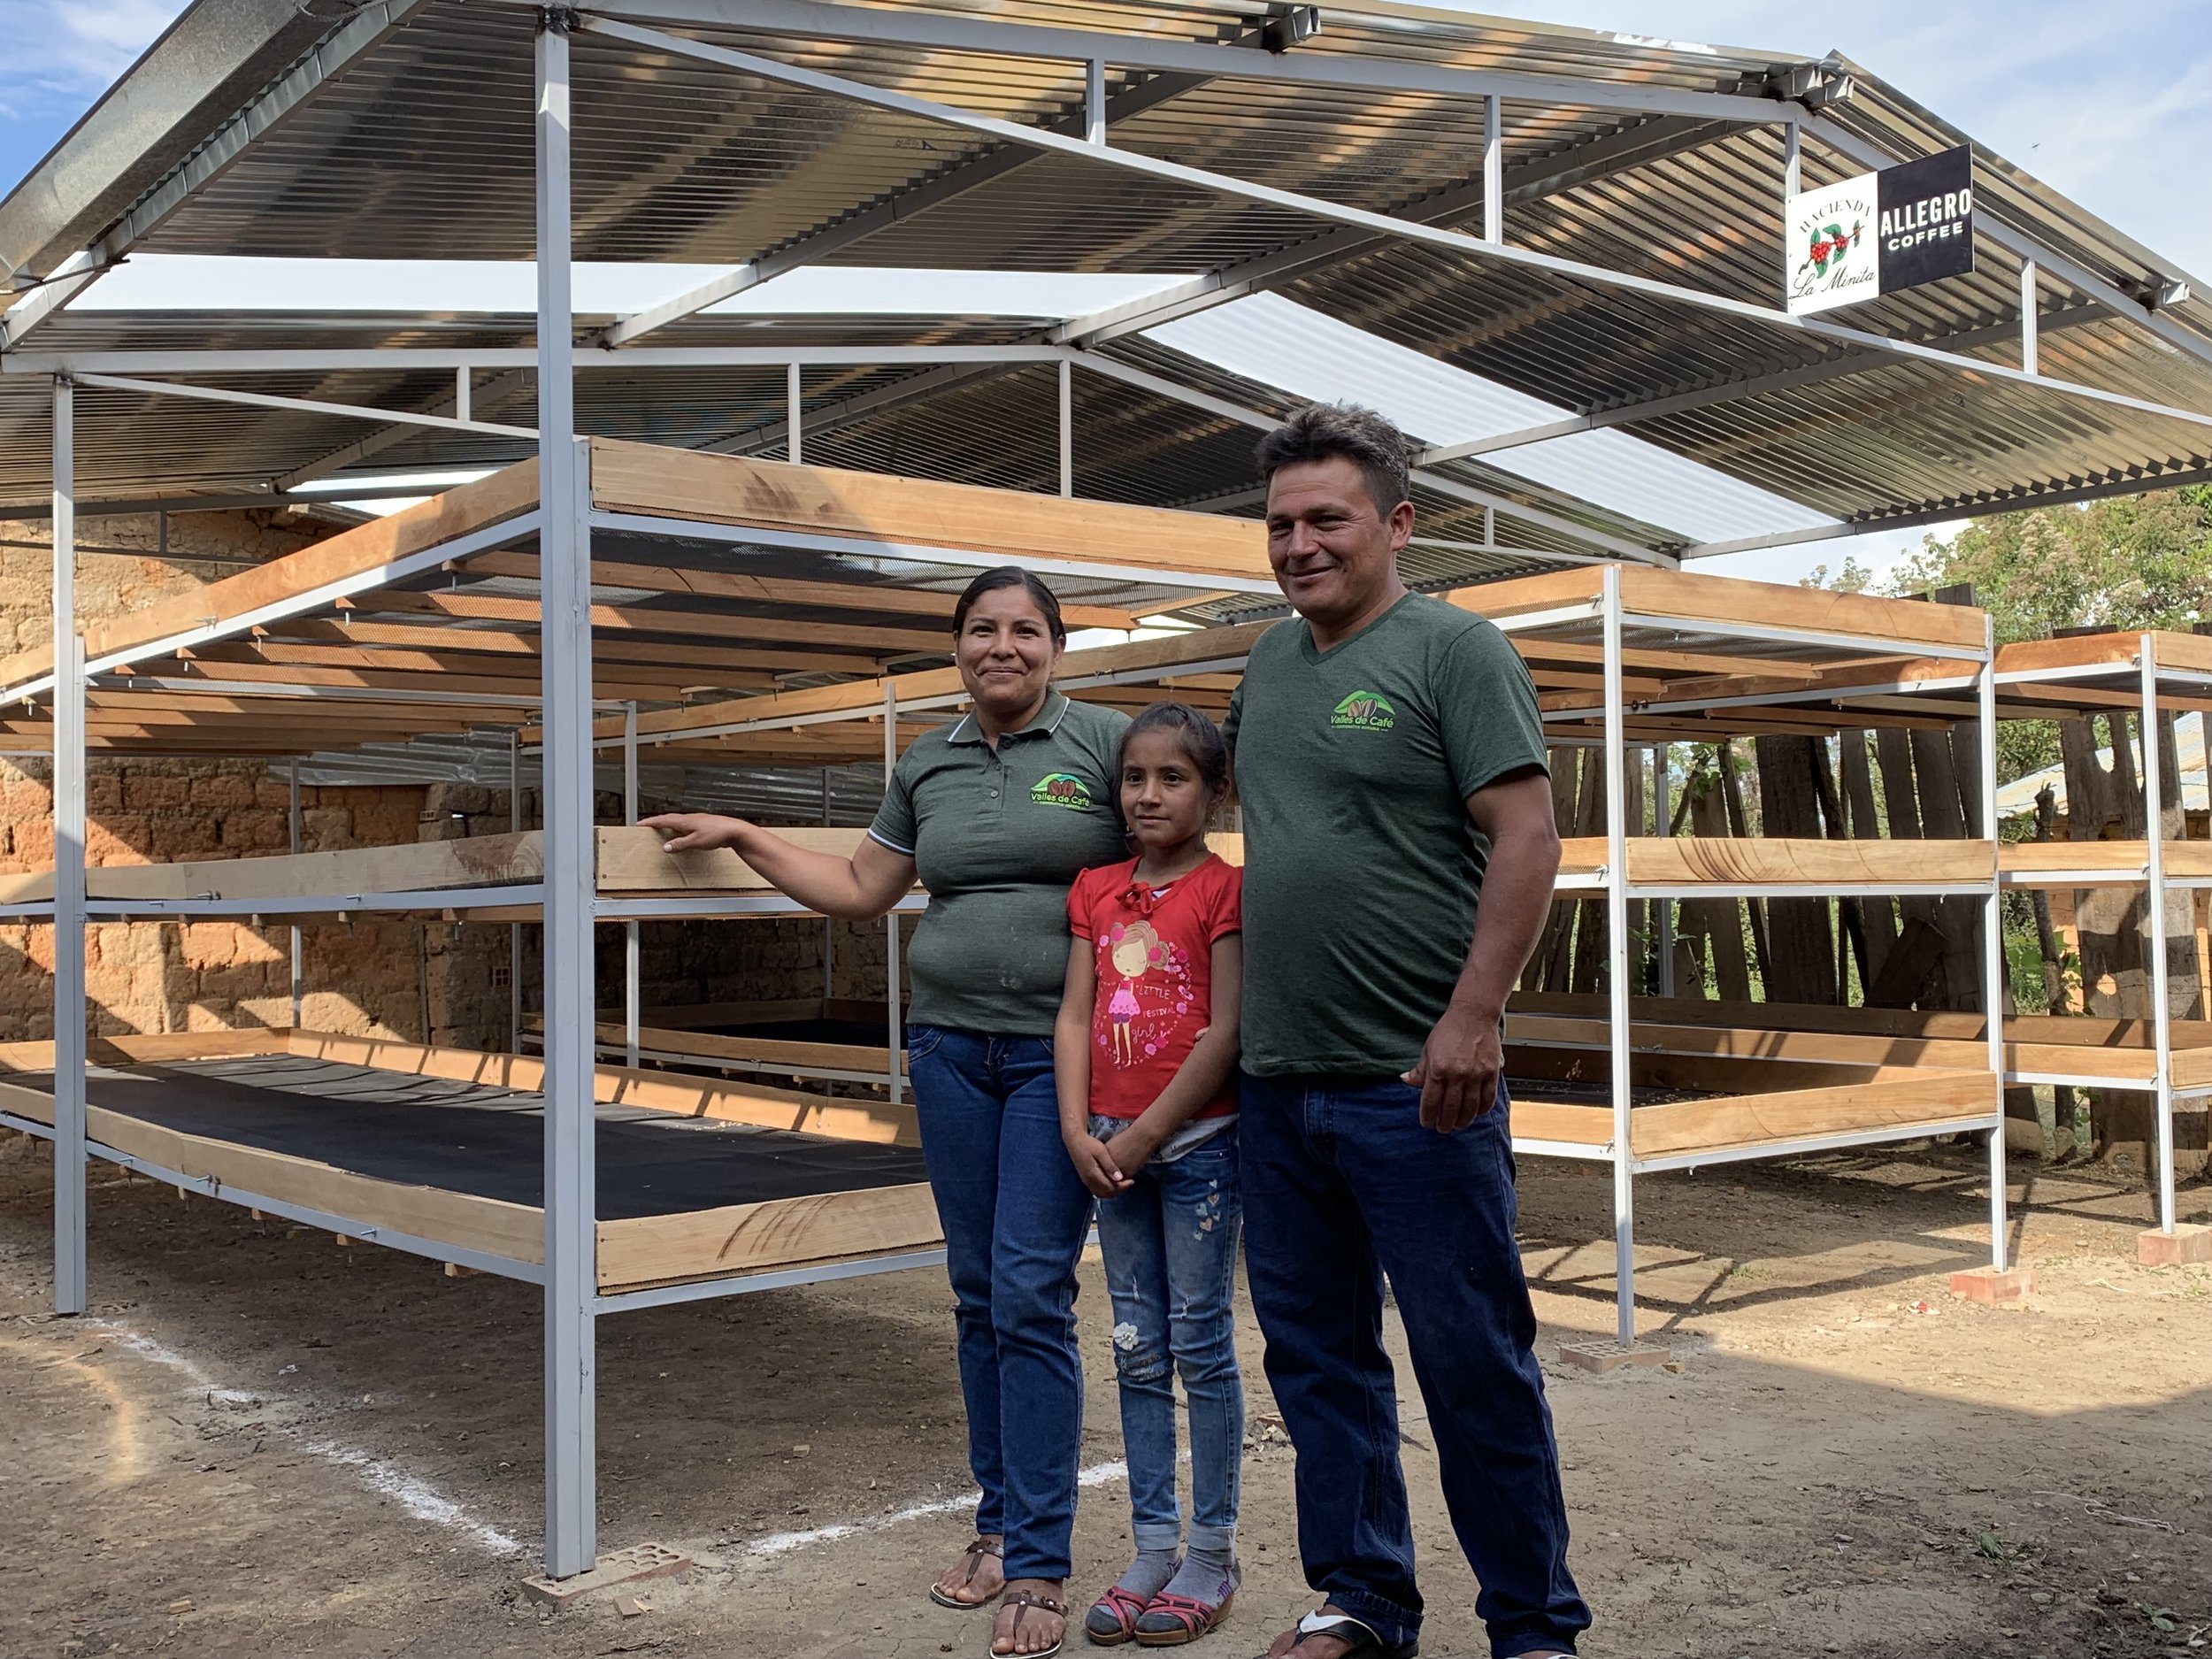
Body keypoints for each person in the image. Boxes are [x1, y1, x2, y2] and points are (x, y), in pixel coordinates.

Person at [643, 566, 1127, 1659]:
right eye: (980, 631)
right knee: (972, 1292)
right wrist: (744, 834)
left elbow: (1169, 867)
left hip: (1066, 1056)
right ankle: (998, 1524)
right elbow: (865, 886)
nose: (1001, 647)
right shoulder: (929, 759)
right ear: (955, 646)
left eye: (1023, 631)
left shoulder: (1101, 744)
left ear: (1056, 645)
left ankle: (1040, 1561)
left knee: (1029, 1291)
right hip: (951, 1051)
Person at [1223, 403, 1589, 1659]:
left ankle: (1533, 1624)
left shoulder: (1454, 650)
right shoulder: (1267, 665)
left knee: (1471, 1360)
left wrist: (1473, 1018)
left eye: (1327, 516)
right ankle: (1362, 1595)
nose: (1299, 542)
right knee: (1320, 1365)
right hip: (1279, 1083)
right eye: (1279, 522)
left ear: (1397, 522)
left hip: (1414, 1084)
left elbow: (1529, 837)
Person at [1055, 702, 1246, 1648]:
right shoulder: (1094, 888)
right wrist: (1080, 1132)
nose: (1148, 794)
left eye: (1173, 778)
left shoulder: (1224, 890)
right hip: (1106, 1146)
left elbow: (1225, 1030)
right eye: (1135, 777)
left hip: (1199, 1146)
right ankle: (1150, 1548)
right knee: (1134, 1344)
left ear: (1215, 792)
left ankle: (1210, 1553)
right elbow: (1074, 1019)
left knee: (1199, 1344)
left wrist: (1140, 1140)